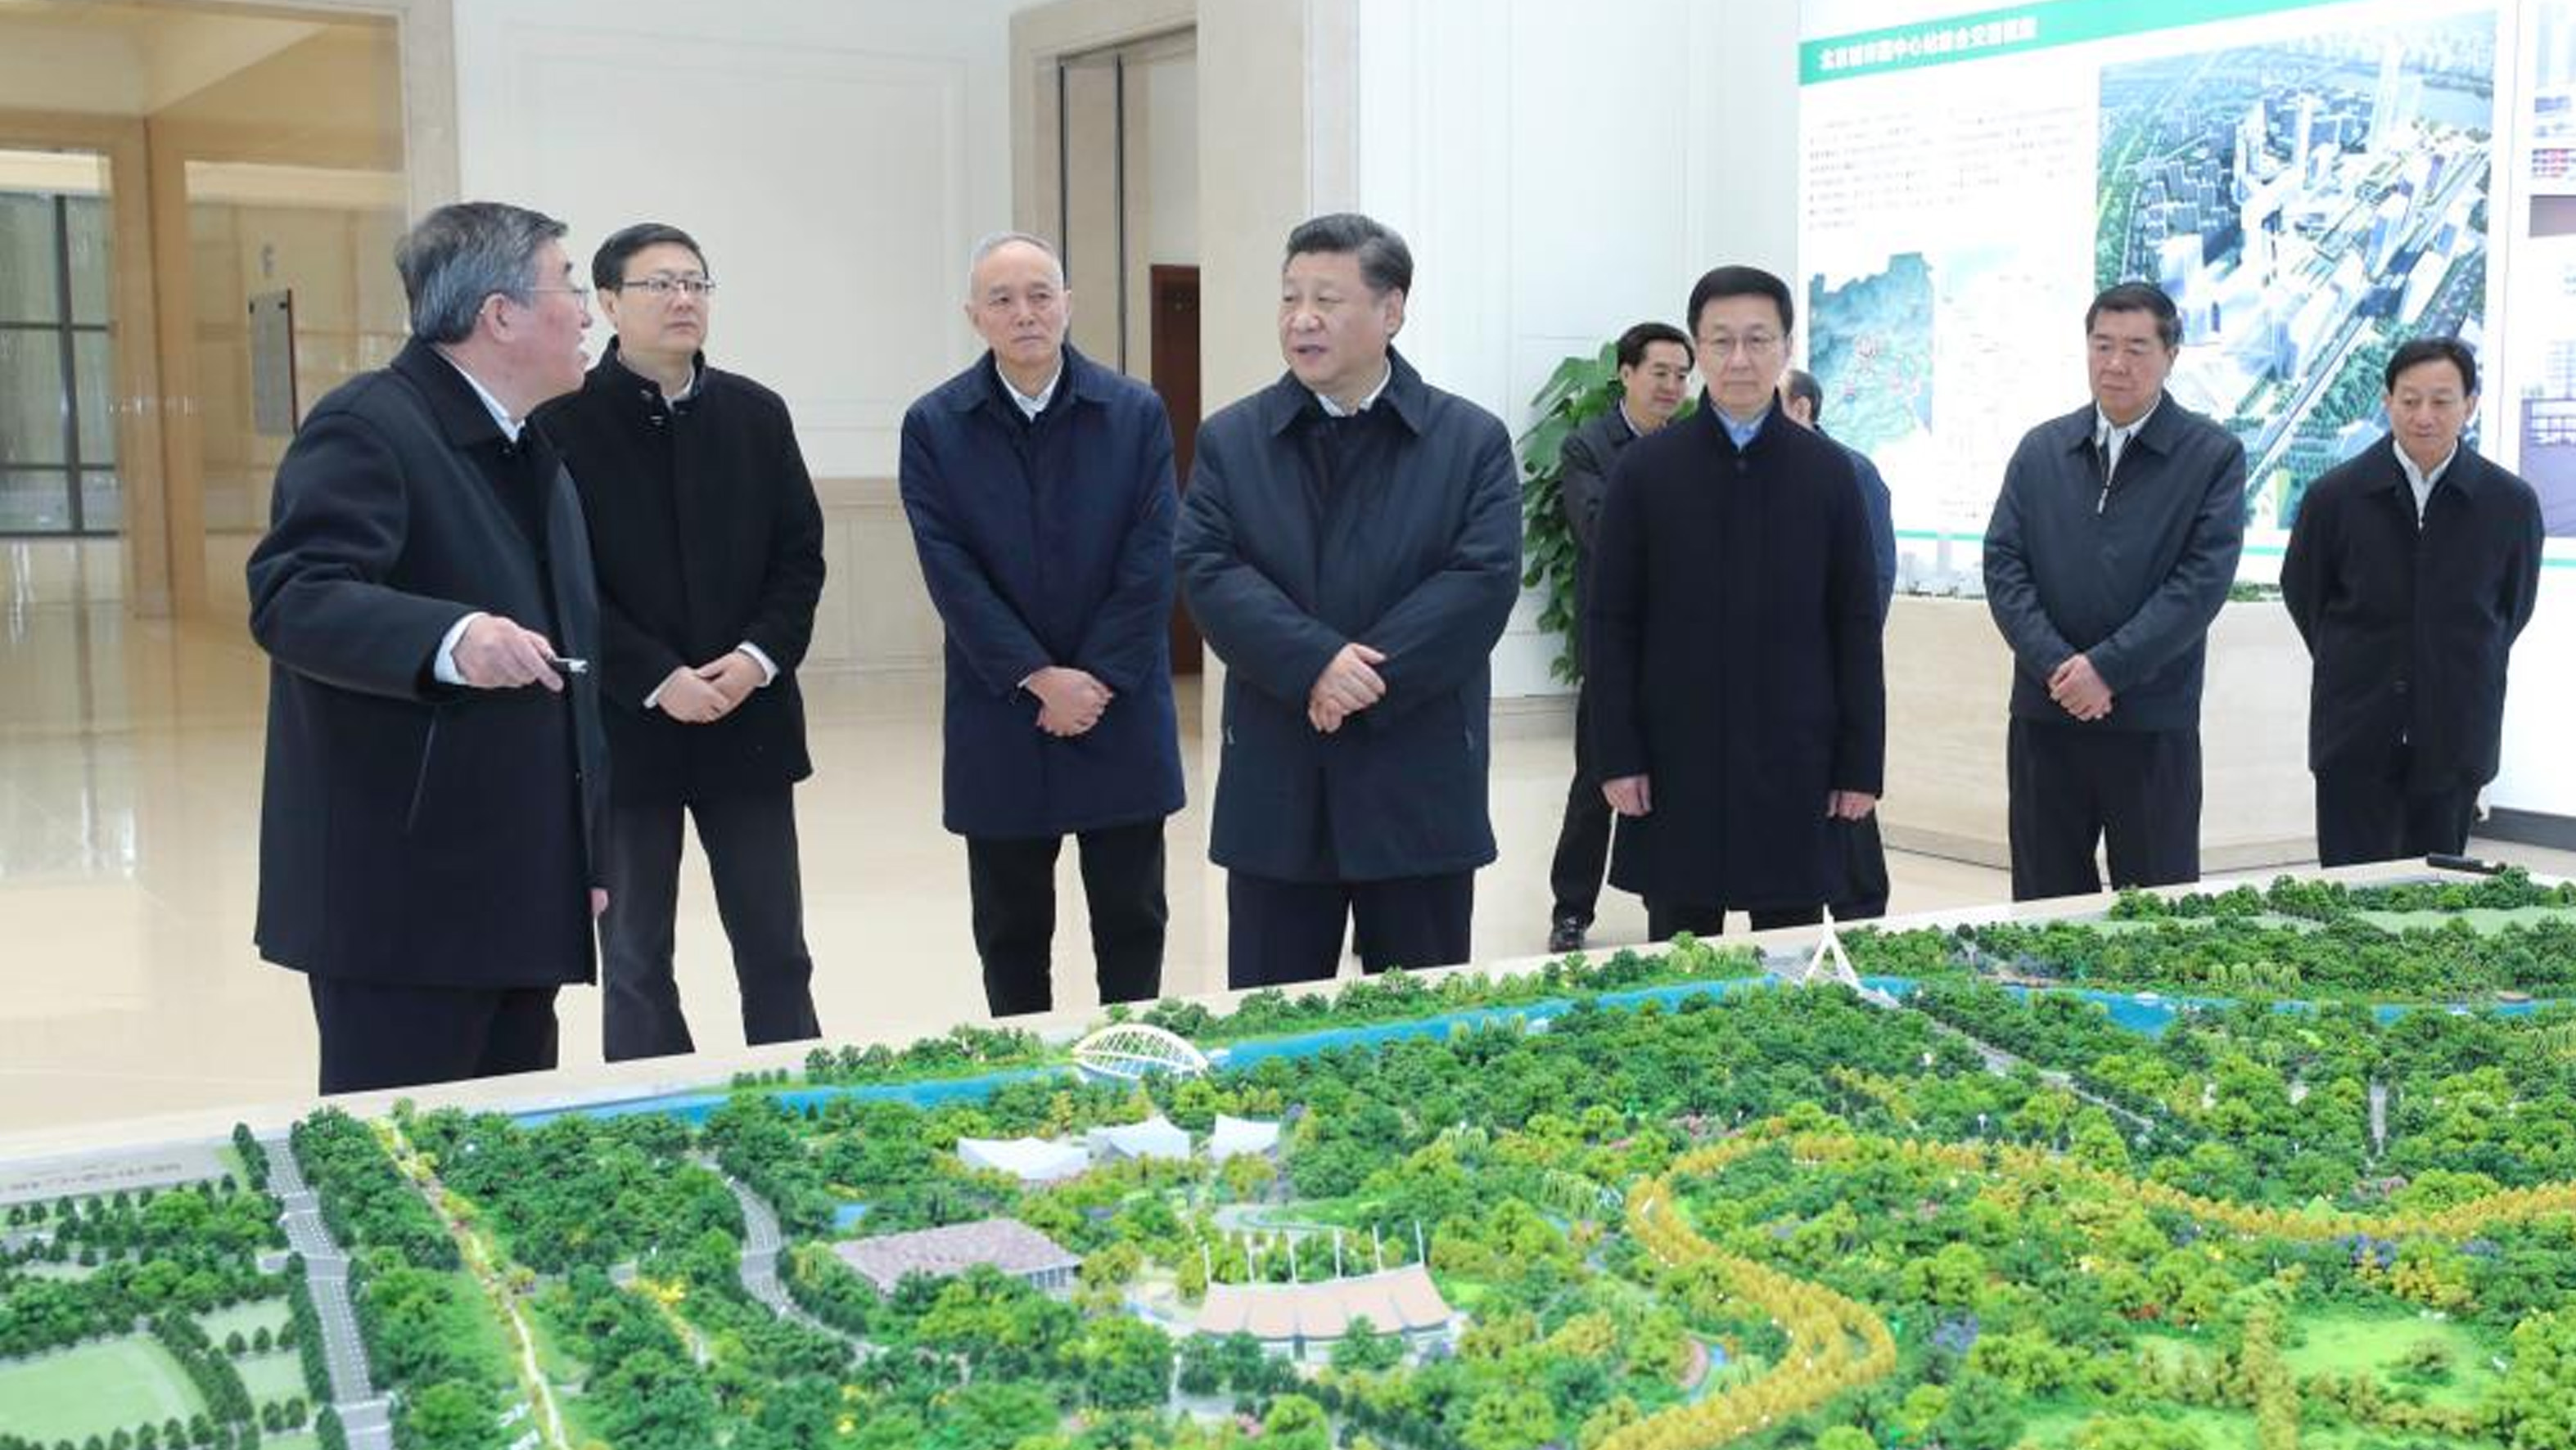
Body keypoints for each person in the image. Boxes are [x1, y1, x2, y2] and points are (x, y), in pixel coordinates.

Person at [246, 200, 607, 1093]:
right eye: (568, 286)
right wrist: (452, 636)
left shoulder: (530, 445)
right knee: (401, 1143)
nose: (587, 312)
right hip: (404, 897)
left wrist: (584, 856)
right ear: (500, 315)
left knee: (503, 1137)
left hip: (515, 884)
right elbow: (295, 596)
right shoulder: (370, 425)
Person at [1178, 212, 1520, 988]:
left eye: (1326, 299)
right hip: (1279, 776)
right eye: (1290, 297)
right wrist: (1314, 664)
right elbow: (1206, 567)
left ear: (1391, 310)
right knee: (1271, 1010)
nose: (1302, 318)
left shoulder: (1468, 440)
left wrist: (1358, 678)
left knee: (1418, 1015)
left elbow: (1481, 580)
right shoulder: (1233, 439)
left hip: (1416, 777)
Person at [535, 222, 828, 1060]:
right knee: (634, 956)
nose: (682, 299)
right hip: (628, 726)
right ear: (608, 302)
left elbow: (799, 558)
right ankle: (653, 1100)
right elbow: (564, 582)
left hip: (749, 718)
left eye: (695, 283)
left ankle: (794, 1092)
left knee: (777, 948)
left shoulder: (756, 413)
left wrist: (754, 661)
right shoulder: (561, 423)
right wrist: (658, 677)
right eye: (659, 284)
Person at [897, 232, 1184, 1017]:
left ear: (1067, 305)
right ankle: (1024, 1071)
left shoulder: (1133, 412)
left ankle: (1130, 1059)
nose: (1024, 313)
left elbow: (1153, 554)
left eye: (1039, 295)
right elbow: (949, 569)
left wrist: (1095, 679)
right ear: (974, 316)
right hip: (1002, 709)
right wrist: (1036, 676)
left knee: (1132, 919)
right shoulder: (935, 424)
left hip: (1118, 705)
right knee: (1010, 929)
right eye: (1002, 299)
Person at [1586, 266, 1884, 941]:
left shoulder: (1828, 473)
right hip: (1676, 755)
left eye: (1757, 339)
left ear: (1786, 347)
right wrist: (1618, 754)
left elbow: (1854, 626)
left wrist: (1859, 763)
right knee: (1680, 954)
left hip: (1797, 756)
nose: (1739, 359)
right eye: (1720, 341)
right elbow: (1611, 624)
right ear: (1698, 349)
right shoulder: (1647, 471)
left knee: (1791, 951)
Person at [1983, 281, 2245, 902]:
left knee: (2155, 904)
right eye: (2102, 345)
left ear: (2171, 355)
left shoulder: (2211, 455)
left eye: (2136, 348)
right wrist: (2060, 668)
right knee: (2044, 900)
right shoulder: (2042, 449)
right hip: (2047, 713)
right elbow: (2004, 565)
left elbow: (2199, 583)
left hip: (2151, 718)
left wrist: (2106, 670)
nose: (2116, 364)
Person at [2281, 337, 2543, 866]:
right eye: (2409, 400)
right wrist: (2363, 658)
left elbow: (2510, 610)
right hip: (2355, 729)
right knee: (2349, 890)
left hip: (2455, 728)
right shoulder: (2334, 497)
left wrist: (2440, 655)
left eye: (2442, 401)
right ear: (2387, 402)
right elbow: (2306, 595)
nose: (2424, 416)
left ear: (2469, 405)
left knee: (2438, 889)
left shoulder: (2509, 503)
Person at [1545, 322, 1692, 954]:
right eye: (1659, 372)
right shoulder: (1588, 446)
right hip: (1614, 647)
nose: (1671, 386)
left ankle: (1671, 900)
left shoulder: (1693, 445)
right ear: (1626, 374)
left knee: (1676, 781)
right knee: (1595, 781)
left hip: (1681, 650)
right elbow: (1599, 529)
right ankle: (1571, 909)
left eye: (1681, 375)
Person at [1782, 366, 1897, 920]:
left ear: (1801, 408)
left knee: (1847, 808)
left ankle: (1861, 921)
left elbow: (1873, 580)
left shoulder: (1851, 471)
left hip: (1831, 675)